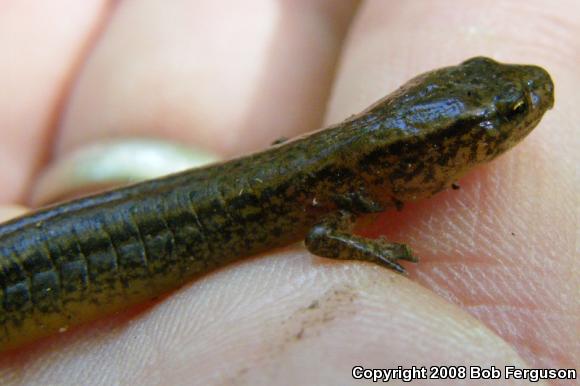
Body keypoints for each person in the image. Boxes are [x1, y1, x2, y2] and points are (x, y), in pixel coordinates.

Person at [0, 1, 577, 384]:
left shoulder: (342, 175)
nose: (529, 104)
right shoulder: (341, 185)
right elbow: (323, 238)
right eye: (499, 120)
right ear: (422, 152)